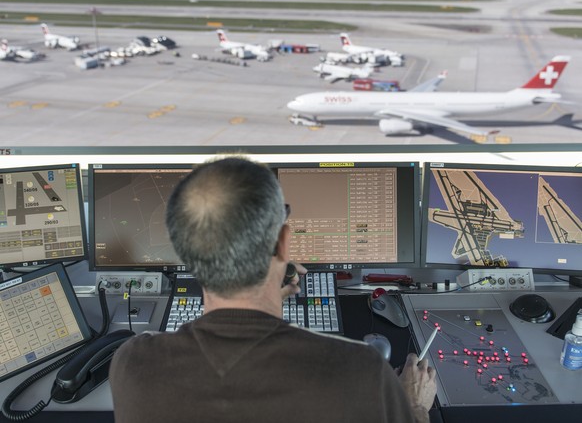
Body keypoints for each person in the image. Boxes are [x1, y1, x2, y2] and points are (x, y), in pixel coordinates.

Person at [109, 157, 436, 423]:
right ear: (284, 244)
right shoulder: (362, 371)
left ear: (185, 253)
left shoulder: (133, 364)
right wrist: (415, 406)